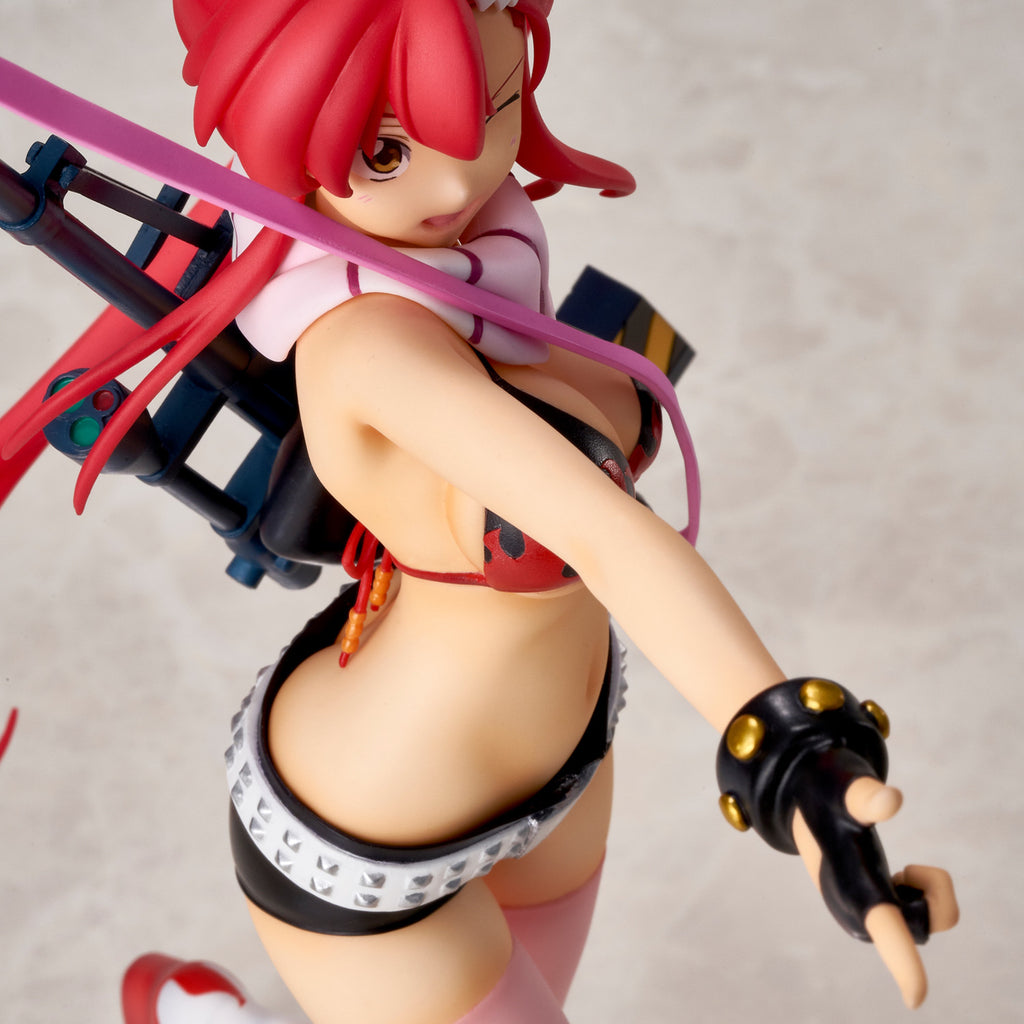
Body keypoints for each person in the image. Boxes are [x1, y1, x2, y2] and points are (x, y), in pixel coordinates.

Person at [2, 1, 958, 1022]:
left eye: (494, 107)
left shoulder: (480, 250)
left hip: (567, 759)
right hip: (377, 837)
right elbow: (601, 529)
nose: (456, 183)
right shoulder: (369, 342)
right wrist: (792, 756)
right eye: (386, 152)